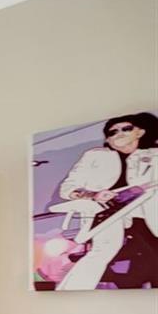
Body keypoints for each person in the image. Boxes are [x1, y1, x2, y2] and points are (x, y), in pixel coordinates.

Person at [54, 112, 157, 290]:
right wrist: (93, 194)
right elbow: (67, 188)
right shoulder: (95, 156)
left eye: (126, 128)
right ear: (108, 140)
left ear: (140, 132)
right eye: (112, 132)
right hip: (108, 215)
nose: (119, 133)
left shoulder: (154, 156)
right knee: (101, 253)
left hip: (147, 215)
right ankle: (70, 291)